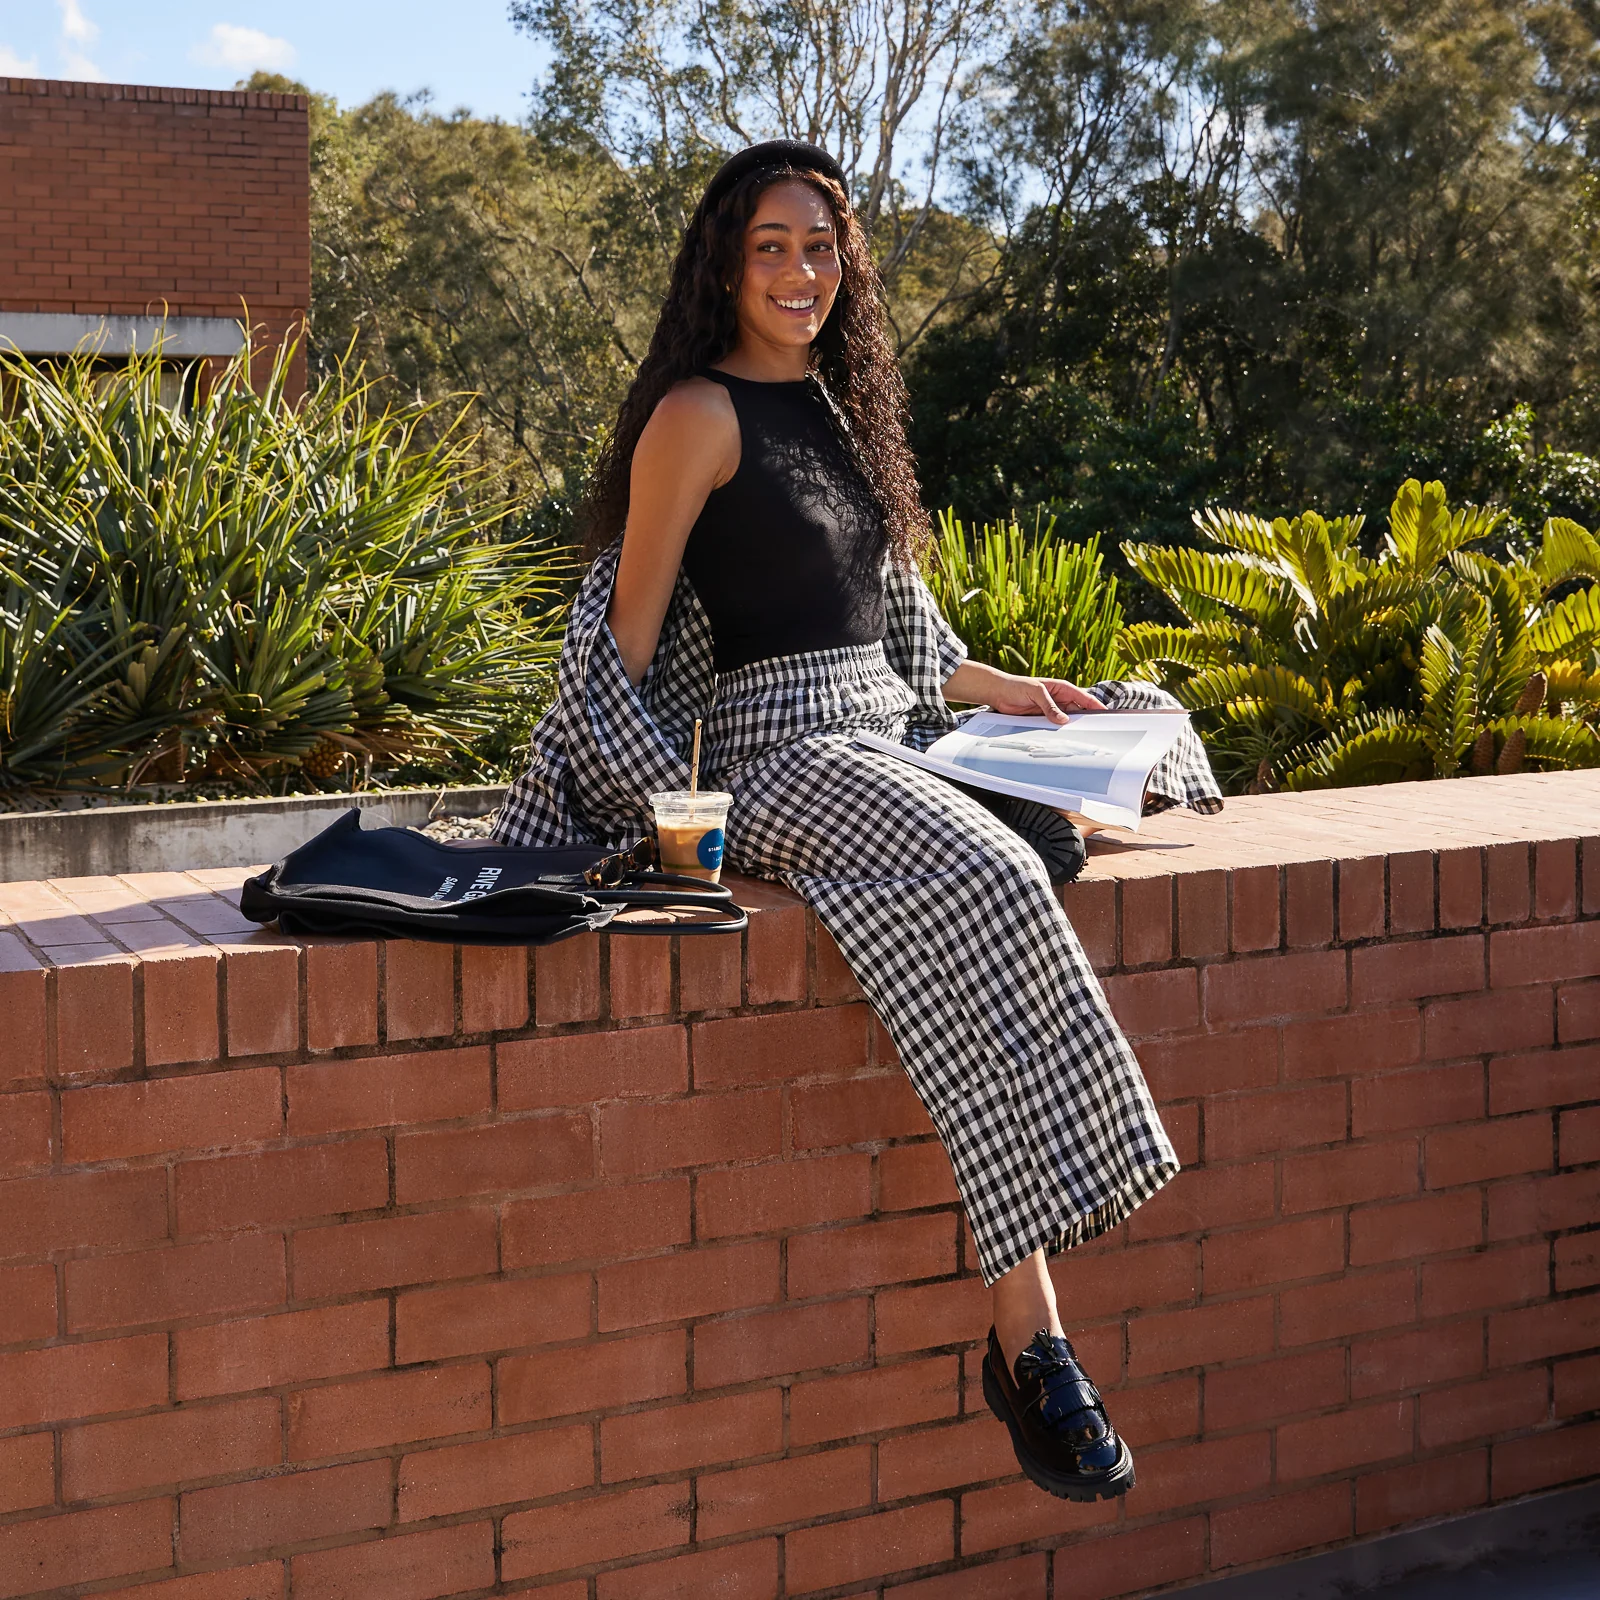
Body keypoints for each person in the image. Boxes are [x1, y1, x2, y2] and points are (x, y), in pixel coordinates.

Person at [494, 140, 1221, 1502]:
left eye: (820, 248)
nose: (798, 270)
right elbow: (623, 643)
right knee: (996, 867)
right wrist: (667, 818)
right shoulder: (694, 418)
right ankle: (1078, 1237)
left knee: (972, 884)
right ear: (723, 261)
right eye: (770, 245)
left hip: (882, 738)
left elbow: (896, 633)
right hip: (777, 757)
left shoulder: (833, 411)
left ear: (848, 270)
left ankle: (1033, 1341)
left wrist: (1014, 693)